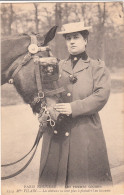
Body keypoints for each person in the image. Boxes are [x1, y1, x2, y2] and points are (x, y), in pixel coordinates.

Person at [38, 22, 112, 188]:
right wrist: (47, 109)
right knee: (55, 181)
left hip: (85, 131)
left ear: (85, 40)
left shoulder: (97, 67)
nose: (71, 41)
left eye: (76, 37)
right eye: (68, 38)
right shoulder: (56, 66)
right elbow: (48, 93)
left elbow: (101, 96)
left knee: (84, 180)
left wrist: (74, 107)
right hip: (59, 131)